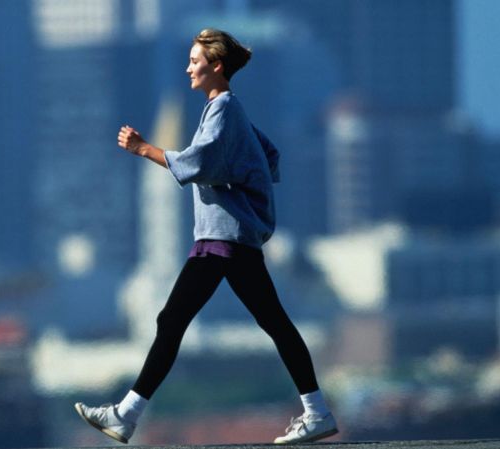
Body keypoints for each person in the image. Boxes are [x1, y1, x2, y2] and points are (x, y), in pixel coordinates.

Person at [74, 28, 339, 445]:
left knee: (176, 320)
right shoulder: (226, 110)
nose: (188, 69)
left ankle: (126, 415)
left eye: (195, 61)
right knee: (268, 322)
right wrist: (245, 178)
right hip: (228, 237)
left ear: (216, 66)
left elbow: (200, 162)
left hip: (222, 239)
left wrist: (143, 149)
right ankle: (316, 412)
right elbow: (267, 155)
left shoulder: (224, 109)